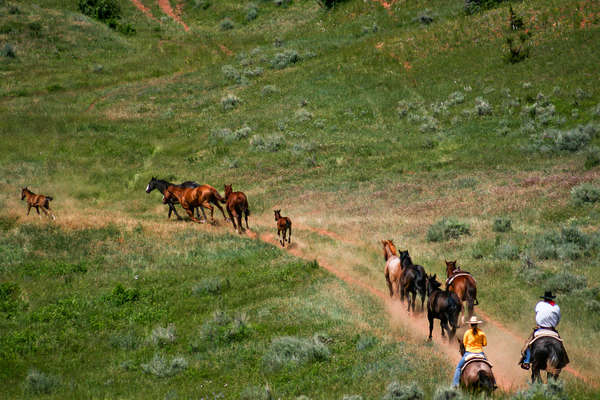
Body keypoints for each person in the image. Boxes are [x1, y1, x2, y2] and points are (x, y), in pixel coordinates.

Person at [519, 290, 561, 370]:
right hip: (552, 330)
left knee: (529, 344)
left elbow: (537, 314)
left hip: (540, 329)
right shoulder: (556, 307)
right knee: (560, 345)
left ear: (544, 298)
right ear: (551, 298)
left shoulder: (540, 304)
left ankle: (527, 362)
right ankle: (559, 361)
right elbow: (558, 319)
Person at [452, 315, 487, 388]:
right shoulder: (481, 333)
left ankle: (455, 385)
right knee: (489, 366)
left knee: (458, 368)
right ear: (477, 324)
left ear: (470, 324)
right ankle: (494, 383)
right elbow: (484, 344)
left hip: (469, 353)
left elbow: (464, 343)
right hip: (480, 353)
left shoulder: (467, 332)